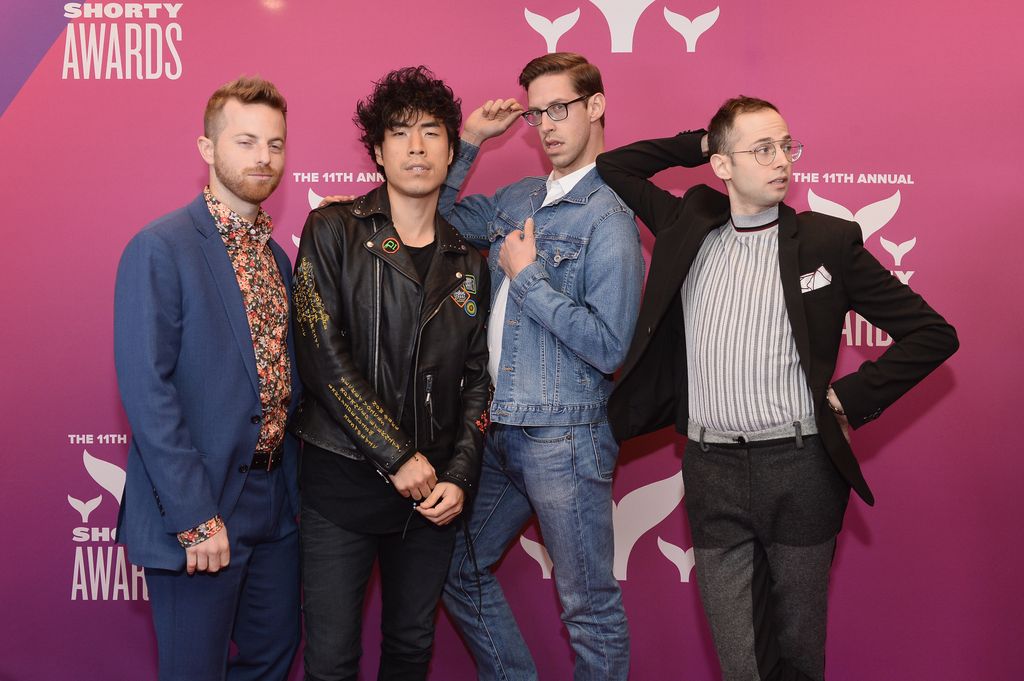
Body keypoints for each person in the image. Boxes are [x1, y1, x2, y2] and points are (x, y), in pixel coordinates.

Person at [597, 96, 959, 680]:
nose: (781, 161)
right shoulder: (687, 224)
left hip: (801, 466)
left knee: (798, 653)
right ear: (721, 165)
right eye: (761, 149)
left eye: (786, 146)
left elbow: (932, 333)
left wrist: (848, 399)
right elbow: (616, 165)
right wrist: (702, 139)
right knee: (741, 661)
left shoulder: (827, 242)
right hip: (710, 468)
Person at [439, 52, 640, 680]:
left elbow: (609, 345)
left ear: (596, 106)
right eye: (537, 113)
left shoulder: (610, 215)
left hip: (566, 437)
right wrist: (468, 142)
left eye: (561, 108)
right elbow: (434, 216)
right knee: (456, 567)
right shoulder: (521, 195)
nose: (547, 125)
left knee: (588, 608)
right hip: (500, 429)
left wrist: (526, 280)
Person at [290, 66, 490, 681]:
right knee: (330, 660)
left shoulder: (468, 262)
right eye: (400, 133)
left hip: (430, 496)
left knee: (410, 649)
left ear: (452, 150)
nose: (417, 146)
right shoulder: (332, 230)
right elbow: (323, 358)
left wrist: (458, 473)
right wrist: (396, 455)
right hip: (342, 481)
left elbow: (478, 380)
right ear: (377, 151)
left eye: (432, 132)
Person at [113, 76, 300, 681]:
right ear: (207, 149)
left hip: (276, 502)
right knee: (195, 670)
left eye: (274, 145)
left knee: (273, 658)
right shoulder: (160, 247)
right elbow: (148, 390)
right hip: (202, 501)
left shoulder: (276, 258)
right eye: (245, 142)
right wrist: (195, 515)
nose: (263, 158)